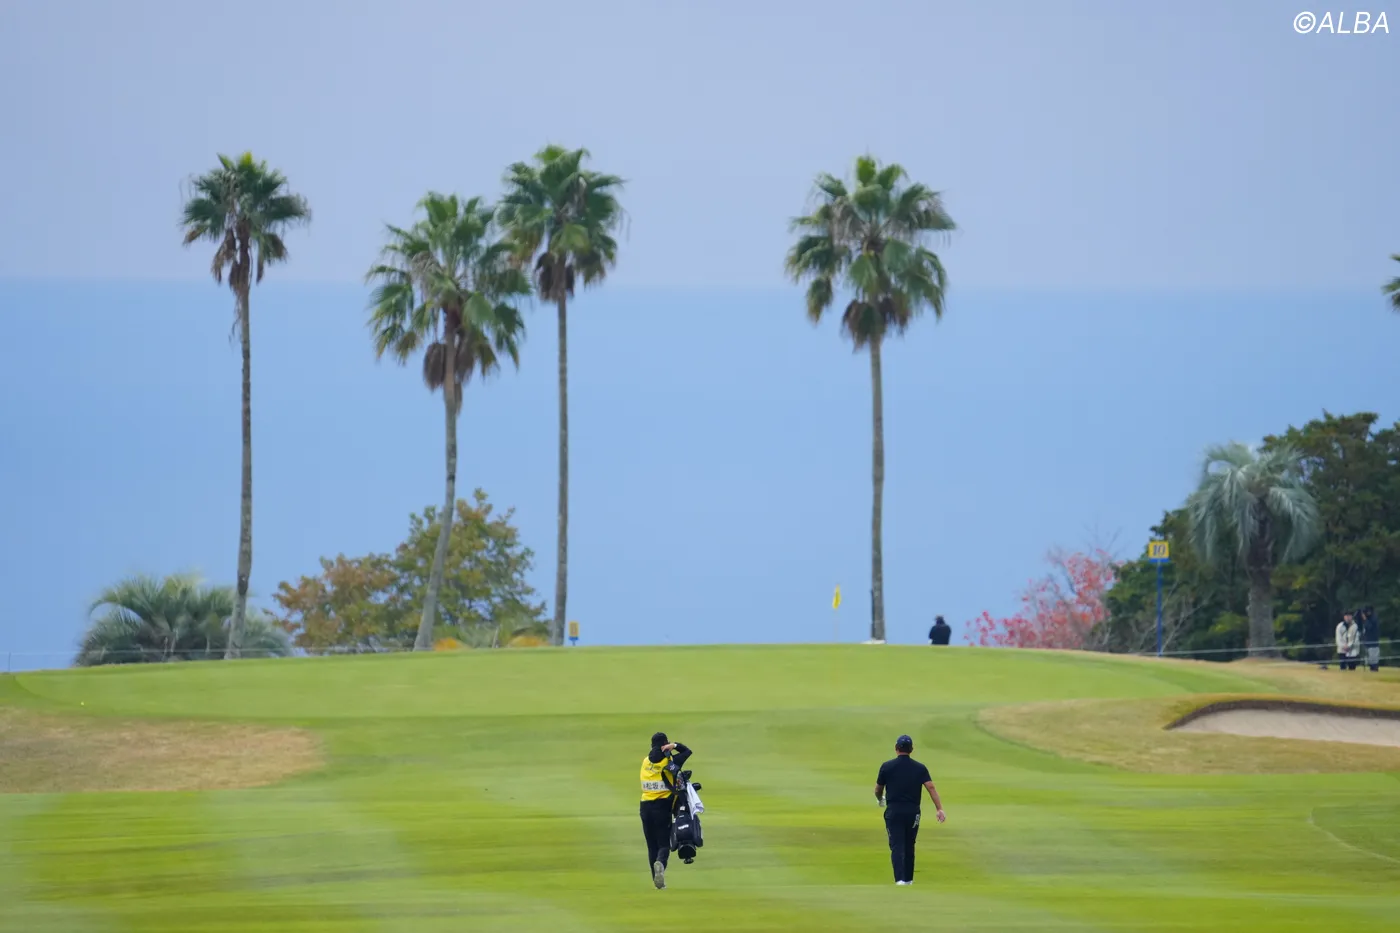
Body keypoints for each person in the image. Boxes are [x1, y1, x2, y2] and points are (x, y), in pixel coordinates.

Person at [874, 734, 945, 886]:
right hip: (913, 812)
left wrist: (880, 799)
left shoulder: (887, 766)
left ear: (896, 748)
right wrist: (939, 808)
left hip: (894, 811)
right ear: (911, 749)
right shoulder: (920, 768)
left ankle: (900, 880)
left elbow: (878, 789)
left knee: (897, 845)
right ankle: (908, 880)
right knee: (909, 844)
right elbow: (930, 787)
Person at [639, 731, 691, 890]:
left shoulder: (646, 761)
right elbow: (687, 751)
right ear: (665, 745)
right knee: (663, 845)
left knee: (651, 846)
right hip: (662, 807)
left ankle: (656, 882)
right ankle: (660, 864)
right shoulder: (669, 761)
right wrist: (674, 745)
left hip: (645, 806)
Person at [1361, 606, 1381, 672]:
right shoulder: (1369, 619)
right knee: (1369, 658)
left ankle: (1374, 668)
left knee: (1373, 659)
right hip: (1367, 642)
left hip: (1373, 642)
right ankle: (1372, 668)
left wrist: (1365, 619)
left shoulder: (1373, 619)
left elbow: (1369, 627)